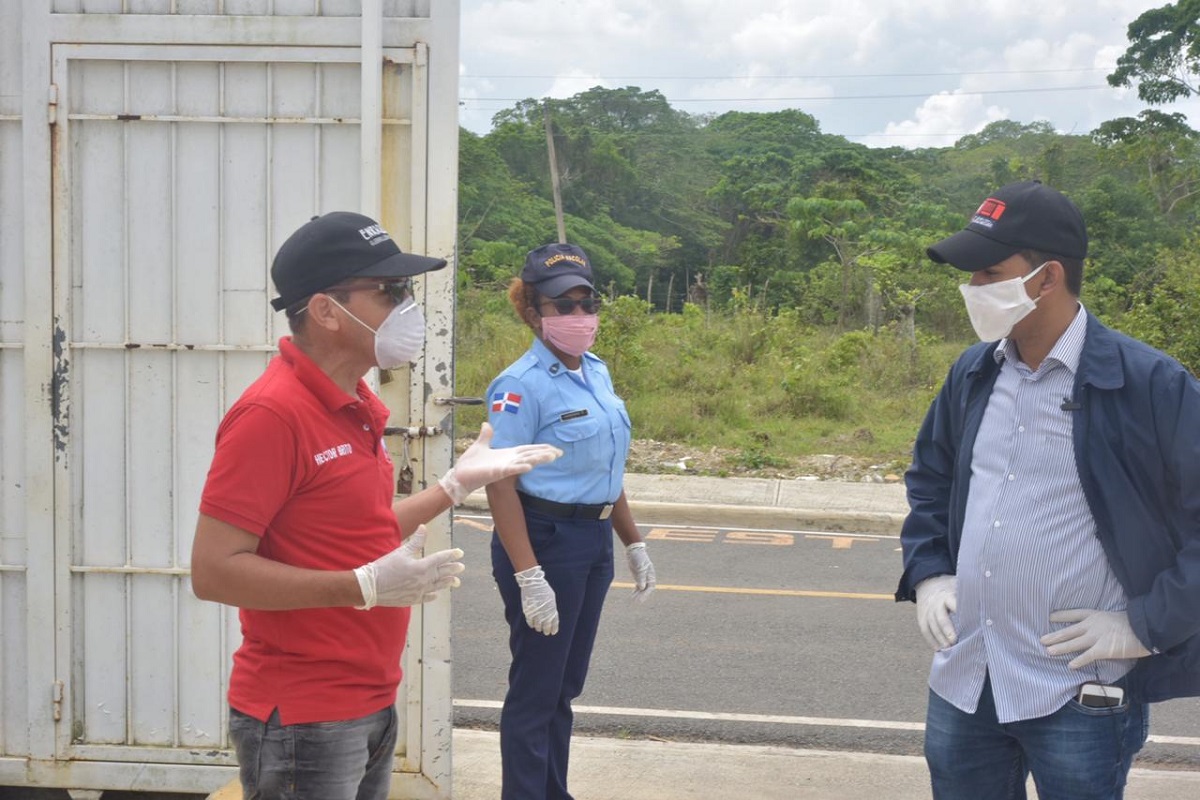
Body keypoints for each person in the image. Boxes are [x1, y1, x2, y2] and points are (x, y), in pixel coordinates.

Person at [189, 211, 562, 800]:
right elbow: (213, 571)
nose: (408, 306)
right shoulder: (272, 415)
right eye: (389, 290)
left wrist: (452, 488)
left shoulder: (356, 402)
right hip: (305, 716)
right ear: (325, 310)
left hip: (370, 699)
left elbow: (359, 531)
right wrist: (361, 586)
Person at [895, 180, 1200, 800]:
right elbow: (931, 479)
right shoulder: (973, 372)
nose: (972, 288)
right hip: (966, 680)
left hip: (1080, 691)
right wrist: (930, 572)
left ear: (1047, 278)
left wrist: (1145, 624)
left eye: (988, 273)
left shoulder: (1150, 386)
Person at [484, 242, 657, 800]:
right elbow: (500, 481)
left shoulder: (596, 373)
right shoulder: (520, 385)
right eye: (564, 305)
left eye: (588, 303)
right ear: (533, 312)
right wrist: (528, 574)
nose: (580, 315)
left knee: (563, 686)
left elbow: (603, 467)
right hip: (544, 540)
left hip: (593, 540)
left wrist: (632, 542)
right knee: (536, 689)